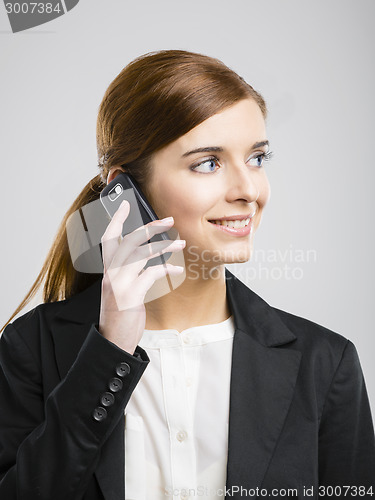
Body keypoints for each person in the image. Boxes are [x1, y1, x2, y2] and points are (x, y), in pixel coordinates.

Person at [0, 49, 374, 500]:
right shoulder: (31, 349)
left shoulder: (325, 364)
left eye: (257, 158)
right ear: (124, 191)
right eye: (208, 163)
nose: (248, 190)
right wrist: (109, 351)